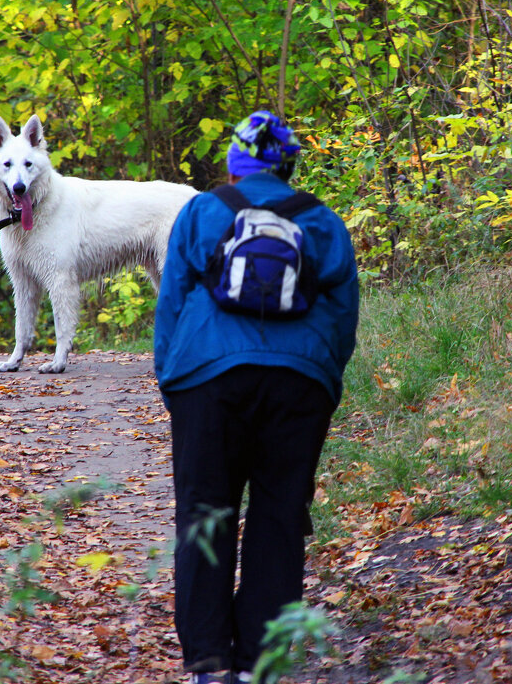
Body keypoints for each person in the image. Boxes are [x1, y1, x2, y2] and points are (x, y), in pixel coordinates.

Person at [154, 110, 360, 684]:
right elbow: (343, 319)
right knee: (278, 517)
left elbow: (171, 304)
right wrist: (322, 383)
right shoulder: (323, 222)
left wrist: (173, 383)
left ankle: (208, 663)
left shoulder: (202, 211)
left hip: (207, 381)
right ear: (290, 165)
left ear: (235, 161)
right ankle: (256, 666)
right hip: (300, 386)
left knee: (204, 515)